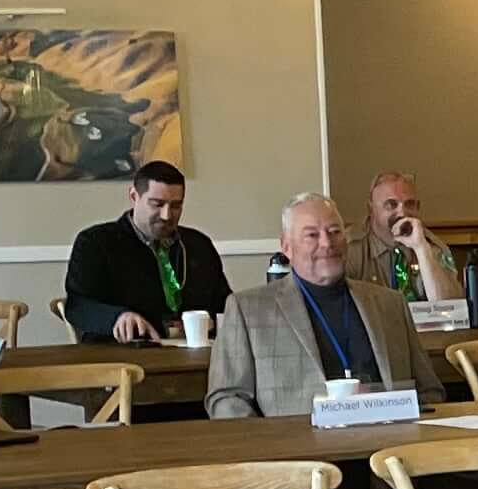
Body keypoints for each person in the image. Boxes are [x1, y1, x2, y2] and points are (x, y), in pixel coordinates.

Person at [203, 194, 438, 420]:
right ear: (286, 247)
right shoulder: (248, 310)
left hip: (387, 449)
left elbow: (430, 391)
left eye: (335, 232)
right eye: (312, 235)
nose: (327, 243)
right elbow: (226, 400)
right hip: (297, 453)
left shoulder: (391, 304)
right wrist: (268, 449)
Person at [61, 159, 234, 345]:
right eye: (157, 204)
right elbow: (78, 306)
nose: (167, 215)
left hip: (198, 354)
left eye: (176, 206)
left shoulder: (198, 244)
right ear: (134, 196)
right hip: (123, 355)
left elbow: (224, 304)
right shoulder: (95, 242)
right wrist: (118, 317)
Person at [342, 170, 447, 300]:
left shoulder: (430, 245)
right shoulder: (348, 248)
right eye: (391, 204)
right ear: (370, 209)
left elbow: (448, 307)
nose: (402, 213)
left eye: (409, 204)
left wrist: (421, 249)